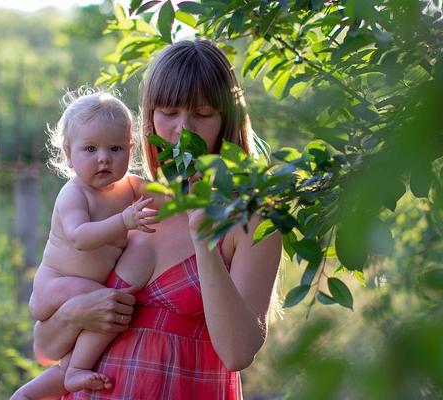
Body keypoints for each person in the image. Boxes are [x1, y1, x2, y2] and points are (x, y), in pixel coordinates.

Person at [31, 39, 282, 399]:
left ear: (226, 119)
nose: (185, 128)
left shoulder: (251, 216)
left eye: (203, 113)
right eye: (169, 112)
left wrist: (204, 240)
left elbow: (238, 353)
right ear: (148, 117)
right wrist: (77, 312)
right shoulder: (126, 201)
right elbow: (46, 346)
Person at [11, 90, 163, 399]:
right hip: (57, 285)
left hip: (81, 287)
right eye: (90, 148)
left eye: (115, 148)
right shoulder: (74, 193)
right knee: (113, 305)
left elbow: (171, 201)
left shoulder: (130, 187)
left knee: (111, 311)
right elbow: (80, 236)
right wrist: (124, 222)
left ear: (131, 150)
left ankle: (35, 390)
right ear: (68, 153)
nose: (103, 157)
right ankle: (77, 370)